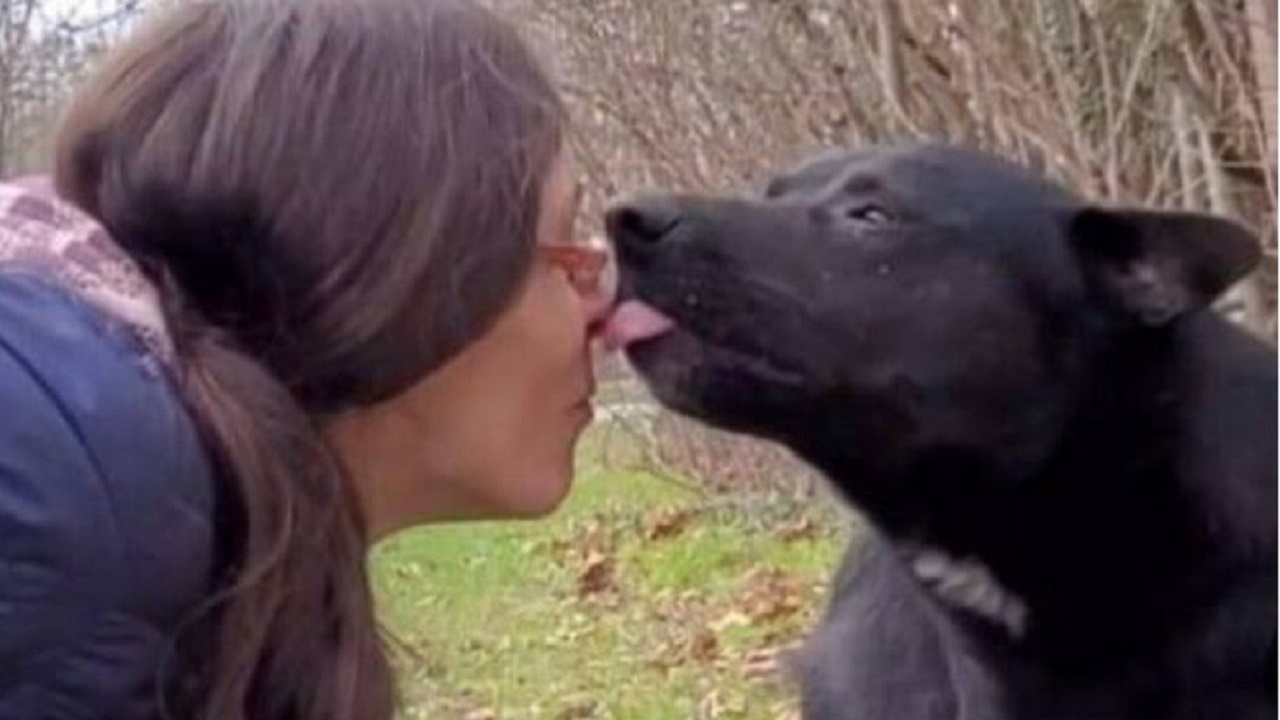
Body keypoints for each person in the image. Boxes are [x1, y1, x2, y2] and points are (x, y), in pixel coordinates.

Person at [0, 0, 613, 718]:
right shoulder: (59, 510)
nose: (605, 307)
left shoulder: (187, 543)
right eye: (566, 246)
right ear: (406, 264)